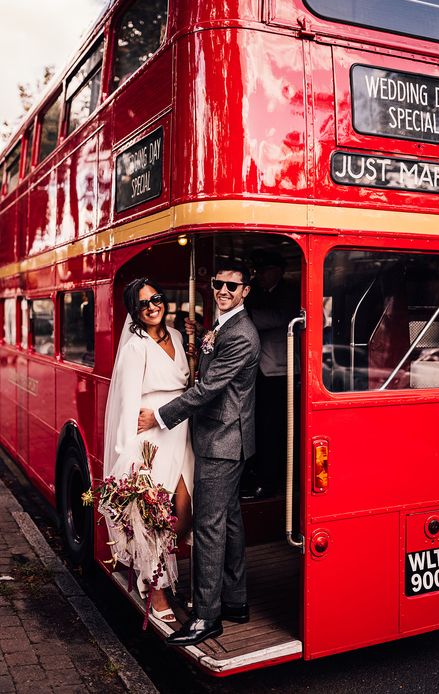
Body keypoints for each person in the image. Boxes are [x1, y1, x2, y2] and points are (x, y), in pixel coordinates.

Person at [138, 260, 261, 646]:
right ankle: (236, 601)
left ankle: (207, 617)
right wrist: (202, 340)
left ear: (245, 292)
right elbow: (211, 364)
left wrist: (160, 415)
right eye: (218, 284)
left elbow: (208, 389)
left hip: (221, 441)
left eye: (231, 286)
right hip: (227, 437)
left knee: (209, 527)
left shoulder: (242, 333)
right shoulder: (224, 325)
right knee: (230, 522)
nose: (223, 291)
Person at [103, 278, 193, 623]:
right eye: (143, 303)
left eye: (156, 298)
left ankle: (164, 575)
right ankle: (154, 588)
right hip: (150, 439)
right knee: (153, 518)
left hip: (180, 432)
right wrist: (126, 457)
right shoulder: (134, 347)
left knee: (183, 512)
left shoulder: (179, 335)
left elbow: (186, 382)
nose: (152, 306)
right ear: (134, 311)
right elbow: (126, 405)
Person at [243, 250, 299, 499]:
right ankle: (258, 473)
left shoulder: (290, 291)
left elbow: (280, 317)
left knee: (275, 429)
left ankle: (272, 481)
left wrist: (243, 317)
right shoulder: (255, 290)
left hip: (280, 371)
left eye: (264, 270)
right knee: (257, 426)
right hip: (258, 371)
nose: (260, 276)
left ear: (279, 270)